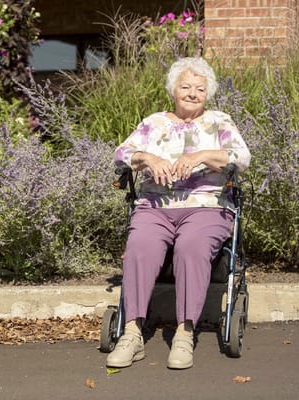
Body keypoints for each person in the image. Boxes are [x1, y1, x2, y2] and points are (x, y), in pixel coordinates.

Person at [108, 57, 251, 370]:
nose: (192, 93)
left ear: (208, 93)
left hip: (206, 206)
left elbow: (241, 157)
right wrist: (147, 158)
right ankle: (131, 333)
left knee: (191, 246)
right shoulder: (154, 123)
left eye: (200, 88)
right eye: (185, 86)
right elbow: (121, 155)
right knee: (141, 245)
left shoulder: (219, 122)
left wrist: (201, 156)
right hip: (155, 206)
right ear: (173, 89)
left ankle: (186, 332)